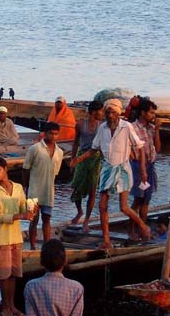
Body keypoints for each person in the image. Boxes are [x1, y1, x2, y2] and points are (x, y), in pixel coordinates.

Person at [70, 99, 150, 249]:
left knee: (124, 207)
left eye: (111, 112)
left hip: (122, 169)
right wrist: (77, 159)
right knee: (102, 206)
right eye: (107, 112)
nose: (108, 115)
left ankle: (143, 226)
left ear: (118, 113)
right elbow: (93, 149)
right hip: (107, 168)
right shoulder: (102, 129)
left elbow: (140, 147)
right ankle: (107, 241)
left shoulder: (126, 127)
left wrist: (143, 170)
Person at [0, 156, 36, 316]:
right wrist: (20, 216)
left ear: (5, 169)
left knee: (13, 274)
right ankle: (6, 306)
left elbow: (23, 206)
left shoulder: (18, 187)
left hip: (16, 237)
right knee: (3, 275)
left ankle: (12, 305)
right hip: (2, 238)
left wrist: (30, 210)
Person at [24, 121, 65, 249]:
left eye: (56, 134)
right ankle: (32, 247)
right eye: (51, 133)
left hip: (48, 192)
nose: (53, 136)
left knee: (47, 220)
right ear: (45, 134)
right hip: (33, 191)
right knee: (33, 220)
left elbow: (56, 173)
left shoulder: (59, 152)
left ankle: (47, 247)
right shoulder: (35, 149)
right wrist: (26, 188)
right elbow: (25, 169)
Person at [129, 97, 161, 240]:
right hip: (137, 166)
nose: (153, 116)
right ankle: (132, 230)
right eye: (151, 113)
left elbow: (158, 148)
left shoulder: (152, 128)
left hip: (150, 165)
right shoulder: (133, 128)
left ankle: (142, 228)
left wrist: (158, 130)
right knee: (137, 199)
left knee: (146, 200)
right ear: (142, 113)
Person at [69, 100, 103, 230]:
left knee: (93, 190)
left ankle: (86, 220)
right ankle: (79, 212)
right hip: (81, 157)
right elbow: (75, 142)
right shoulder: (81, 124)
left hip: (95, 158)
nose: (102, 114)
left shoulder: (102, 126)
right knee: (77, 185)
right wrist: (73, 159)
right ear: (94, 112)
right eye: (100, 111)